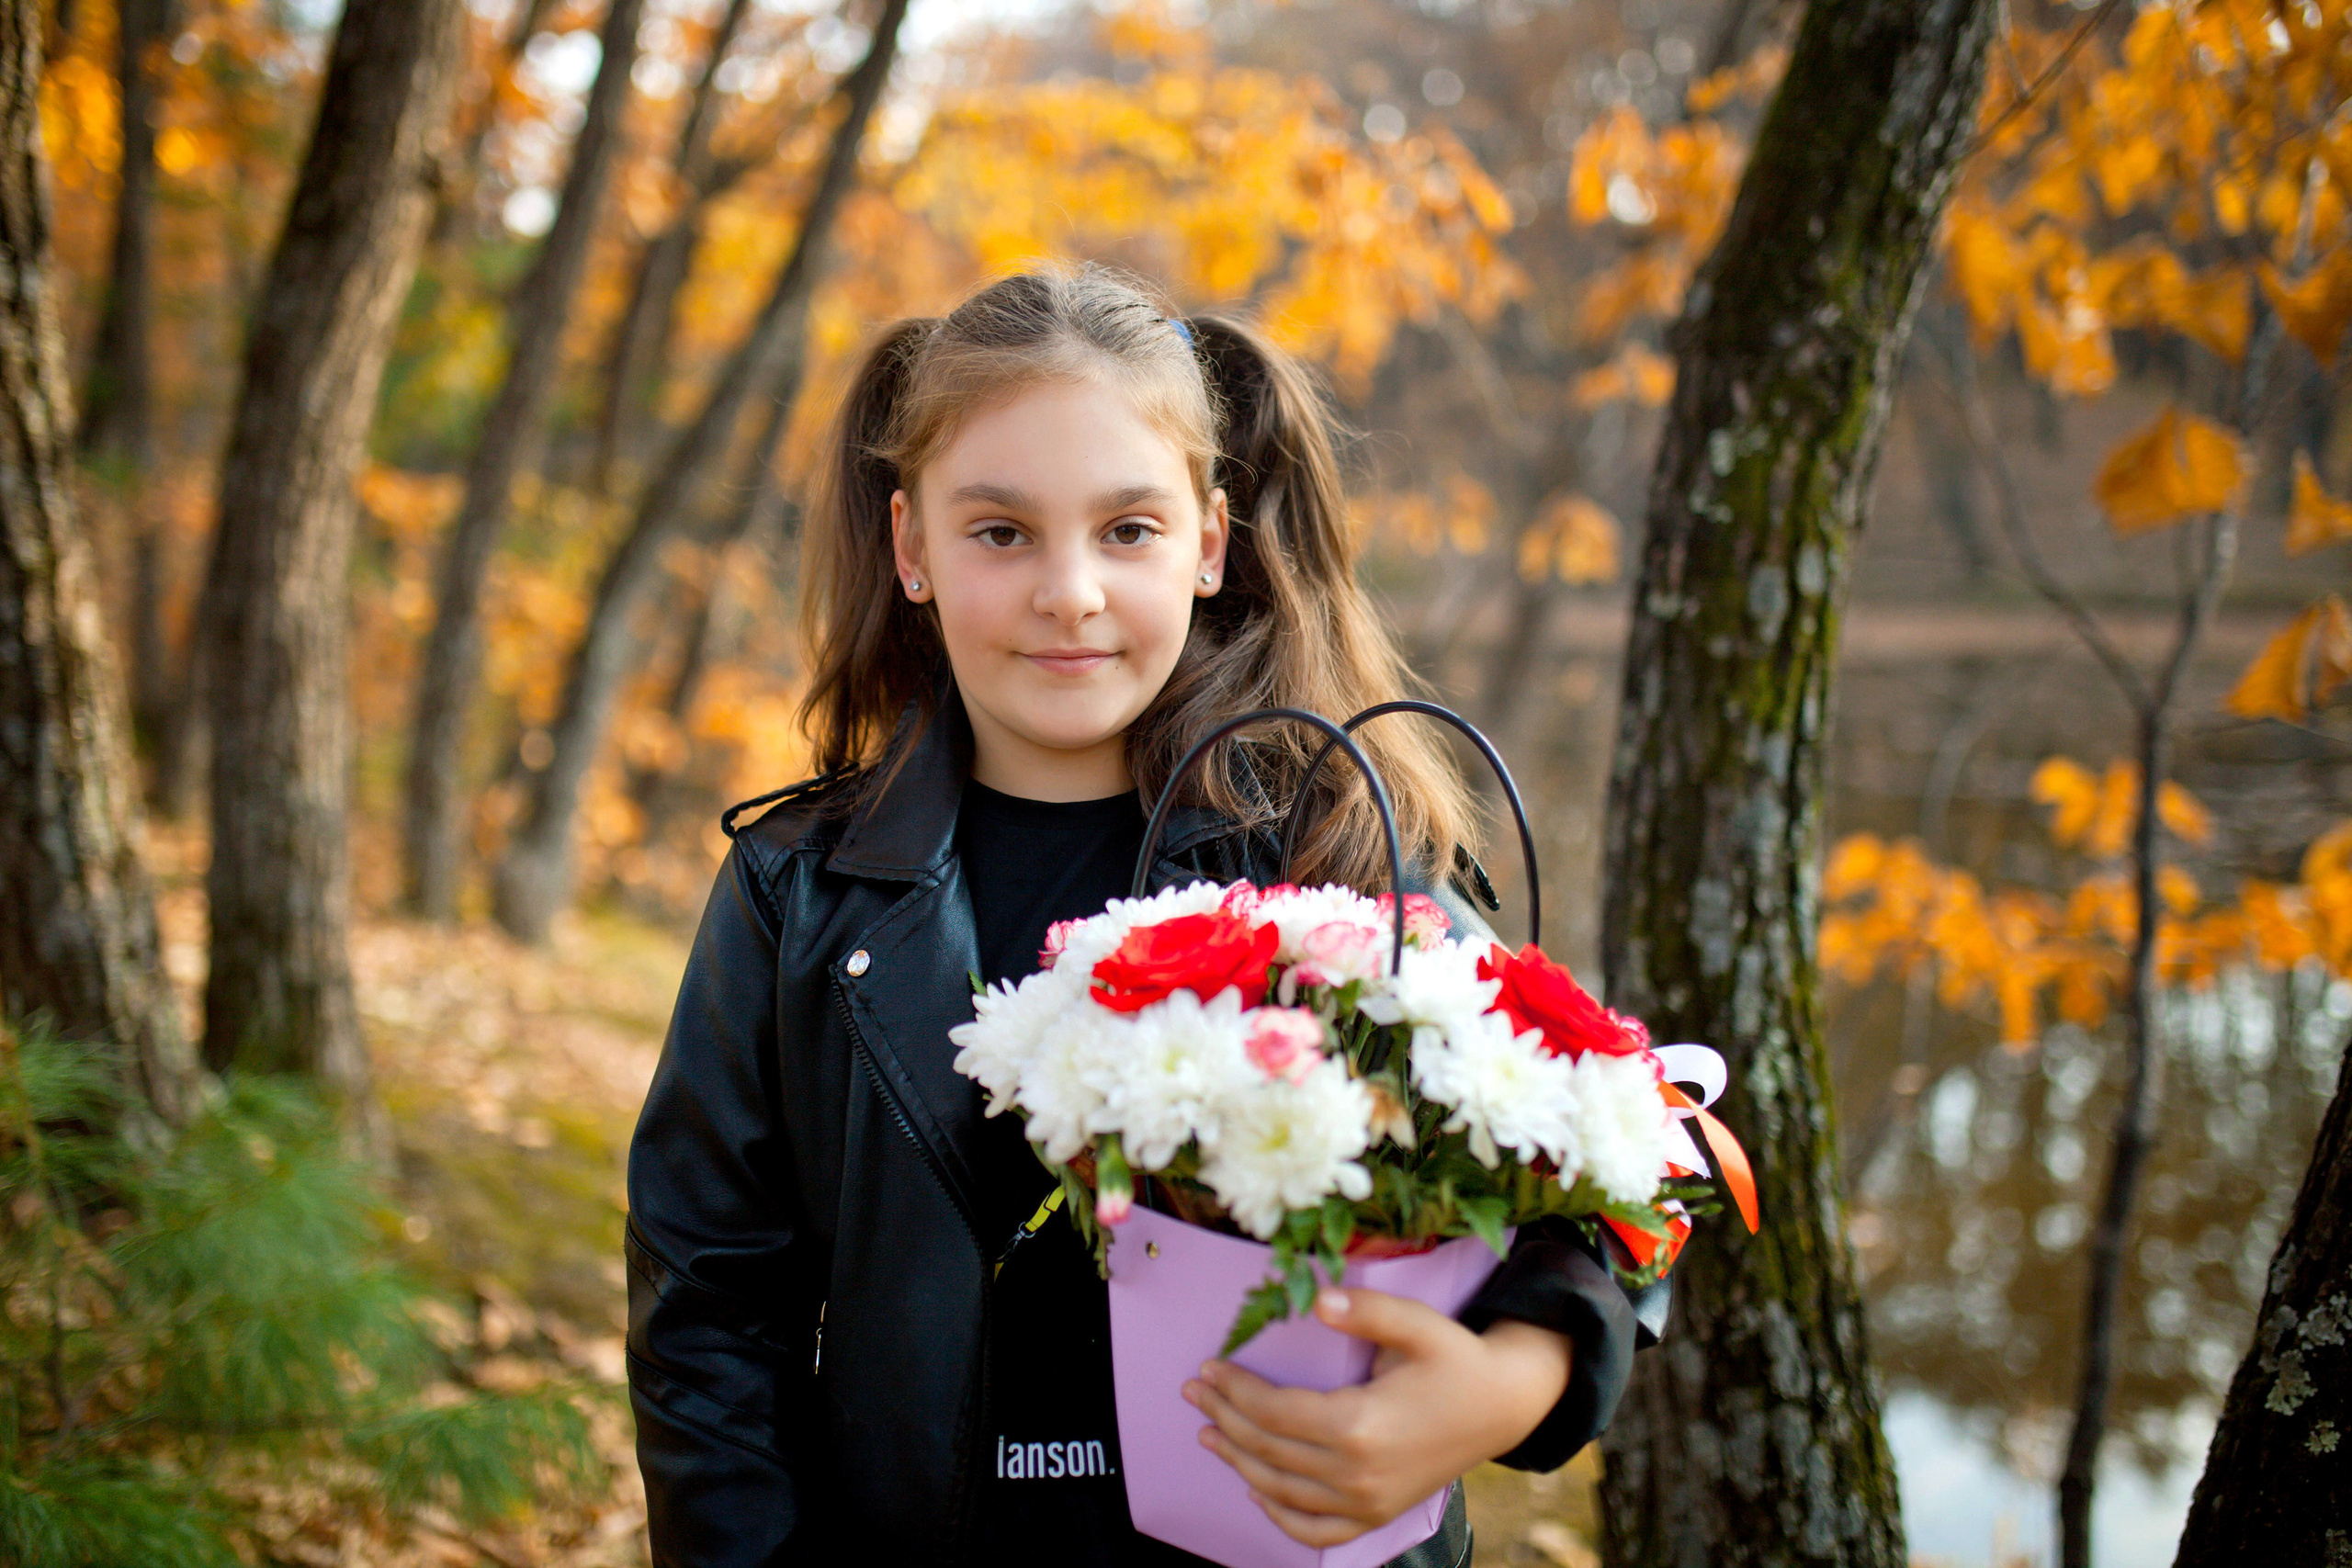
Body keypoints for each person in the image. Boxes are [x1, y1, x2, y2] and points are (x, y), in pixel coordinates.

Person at [625, 265, 1666, 1567]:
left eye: (1128, 530)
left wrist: (1509, 1381)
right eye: (1001, 532)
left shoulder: (1339, 856)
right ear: (912, 550)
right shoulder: (794, 894)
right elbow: (710, 1312)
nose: (1071, 591)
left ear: (1210, 542)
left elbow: (1599, 1165)